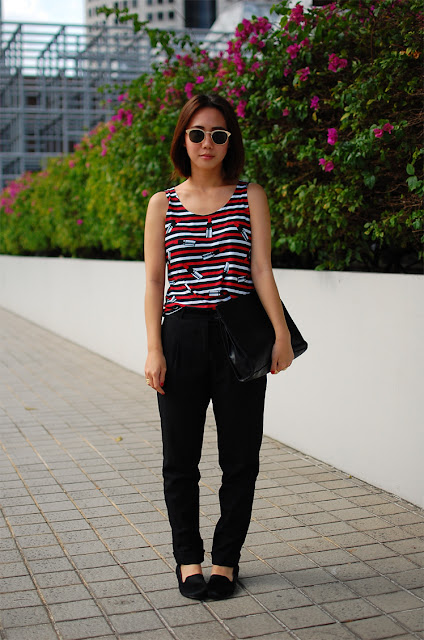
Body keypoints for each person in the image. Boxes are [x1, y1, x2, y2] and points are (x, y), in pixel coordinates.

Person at [144, 94, 293, 600]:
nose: (207, 143)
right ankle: (188, 560)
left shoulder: (250, 196)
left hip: (238, 336)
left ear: (230, 143)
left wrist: (281, 335)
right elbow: (154, 281)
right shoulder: (162, 203)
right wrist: (154, 348)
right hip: (180, 335)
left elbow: (261, 270)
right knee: (179, 460)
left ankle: (226, 561)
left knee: (241, 458)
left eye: (218, 134)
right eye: (197, 133)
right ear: (183, 140)